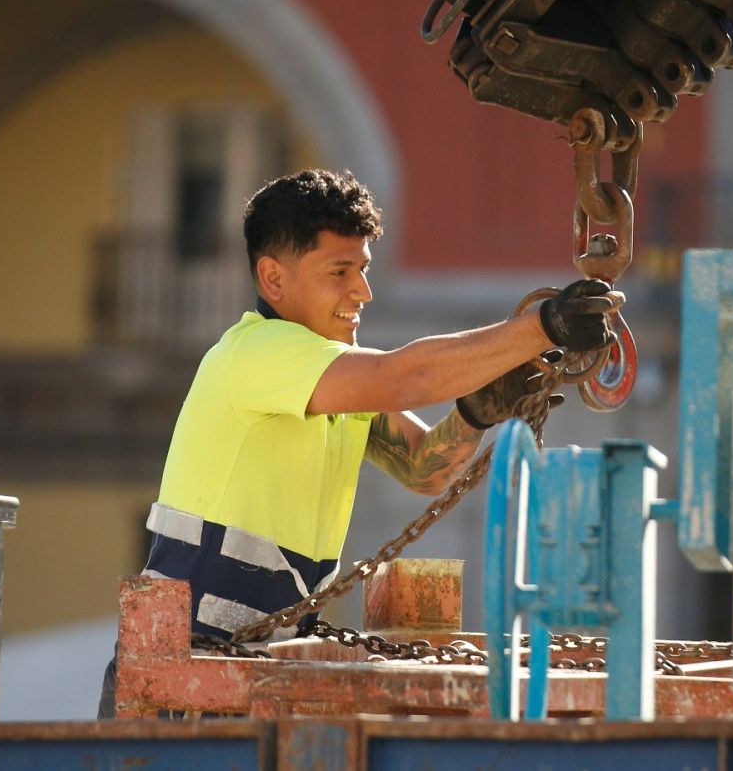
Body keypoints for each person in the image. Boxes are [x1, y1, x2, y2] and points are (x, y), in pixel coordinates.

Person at [99, 168, 619, 717]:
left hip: (247, 672)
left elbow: (424, 469)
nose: (362, 291)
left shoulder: (328, 377)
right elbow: (405, 376)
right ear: (273, 279)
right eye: (340, 271)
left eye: (364, 269)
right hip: (181, 679)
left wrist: (475, 411)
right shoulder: (256, 353)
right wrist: (544, 327)